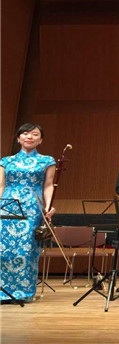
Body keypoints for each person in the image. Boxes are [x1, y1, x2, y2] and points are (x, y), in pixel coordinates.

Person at [0, 123, 56, 303]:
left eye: (34, 134)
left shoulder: (47, 161)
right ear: (18, 138)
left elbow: (48, 185)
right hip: (7, 206)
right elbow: (1, 186)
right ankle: (3, 291)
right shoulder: (6, 161)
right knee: (4, 250)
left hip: (32, 207)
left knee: (27, 249)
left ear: (41, 140)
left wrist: (48, 206)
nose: (29, 137)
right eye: (25, 134)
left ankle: (23, 293)